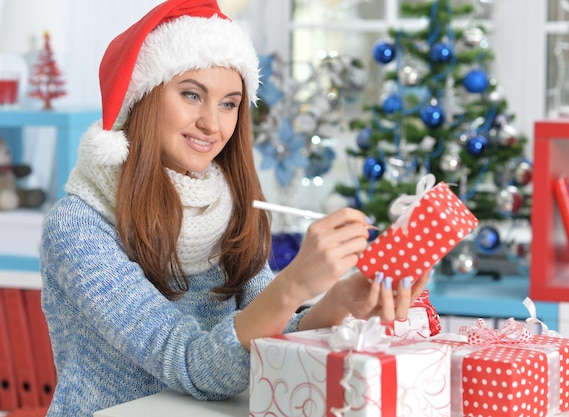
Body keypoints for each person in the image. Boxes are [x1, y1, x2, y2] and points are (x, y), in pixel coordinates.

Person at [39, 0, 430, 416]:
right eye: (192, 94)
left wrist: (337, 304)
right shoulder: (78, 225)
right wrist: (293, 283)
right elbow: (193, 366)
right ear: (144, 97)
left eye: (229, 103)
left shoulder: (225, 209)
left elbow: (264, 335)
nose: (213, 123)